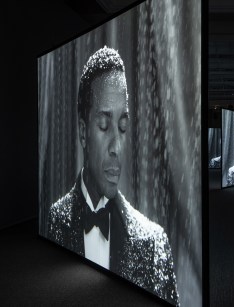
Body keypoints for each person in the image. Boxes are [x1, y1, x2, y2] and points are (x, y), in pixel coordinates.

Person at [46, 46, 179, 306]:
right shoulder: (54, 221)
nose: (116, 147)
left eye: (123, 127)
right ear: (83, 132)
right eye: (104, 126)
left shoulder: (154, 243)